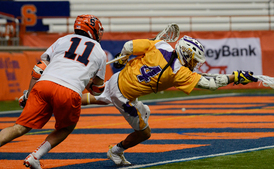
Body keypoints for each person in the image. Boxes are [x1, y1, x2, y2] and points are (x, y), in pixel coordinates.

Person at [81, 35, 258, 166]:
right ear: (187, 54)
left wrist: (125, 57)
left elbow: (128, 45)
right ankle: (116, 151)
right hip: (124, 97)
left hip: (117, 79)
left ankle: (65, 99)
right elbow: (210, 84)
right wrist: (234, 77)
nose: (195, 63)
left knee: (103, 98)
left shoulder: (161, 45)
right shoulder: (179, 73)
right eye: (194, 59)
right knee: (145, 133)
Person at [0, 14, 107, 169]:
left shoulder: (63, 39)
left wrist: (29, 95)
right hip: (69, 90)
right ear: (93, 29)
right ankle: (35, 156)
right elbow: (97, 90)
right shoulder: (99, 51)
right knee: (66, 128)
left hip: (44, 84)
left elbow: (39, 69)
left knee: (19, 127)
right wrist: (90, 82)